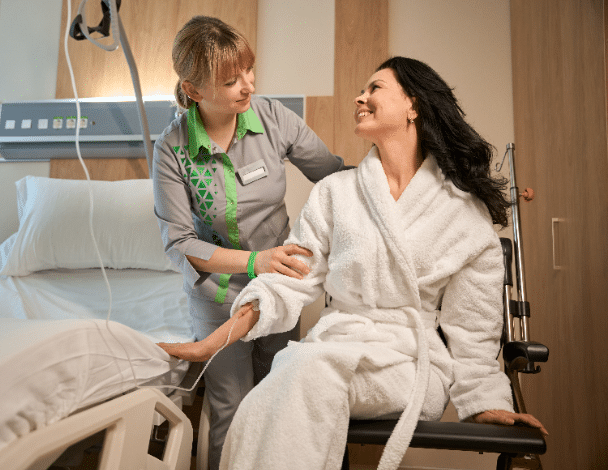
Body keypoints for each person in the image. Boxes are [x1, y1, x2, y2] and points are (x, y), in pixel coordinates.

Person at [159, 56, 548, 470]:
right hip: (333, 349)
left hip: (411, 364)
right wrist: (210, 343)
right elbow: (287, 281)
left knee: (303, 373)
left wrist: (484, 402)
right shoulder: (335, 193)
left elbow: (473, 330)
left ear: (413, 105)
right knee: (268, 394)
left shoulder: (463, 214)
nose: (359, 97)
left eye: (375, 88)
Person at [151, 16, 348, 469]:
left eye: (249, 70)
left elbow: (336, 176)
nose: (248, 85)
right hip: (217, 294)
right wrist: (254, 261)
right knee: (231, 408)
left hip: (280, 286)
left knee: (279, 399)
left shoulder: (274, 118)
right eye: (231, 79)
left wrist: (412, 180)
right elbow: (180, 242)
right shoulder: (173, 148)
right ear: (195, 90)